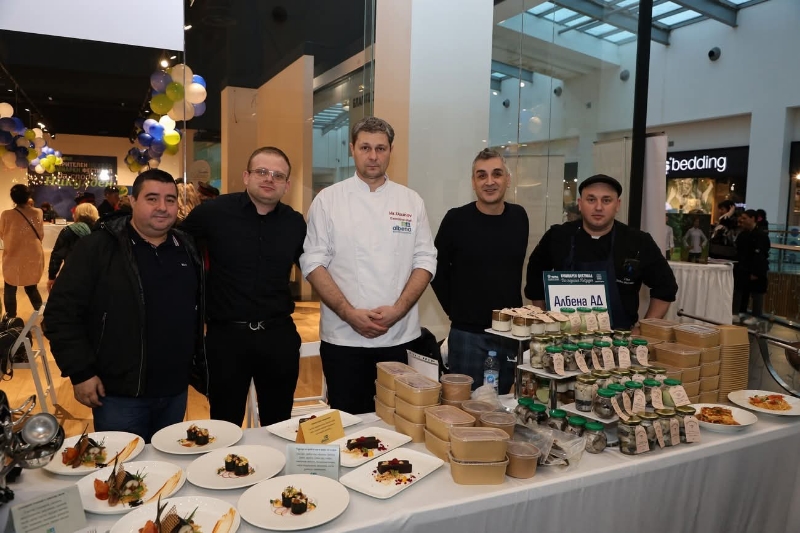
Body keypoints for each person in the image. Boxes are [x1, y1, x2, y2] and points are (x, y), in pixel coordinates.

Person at [44, 169, 205, 442]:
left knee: (168, 462)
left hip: (175, 389)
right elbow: (60, 314)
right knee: (123, 465)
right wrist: (80, 372)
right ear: (133, 201)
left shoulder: (186, 246)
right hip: (119, 393)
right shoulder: (98, 247)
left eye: (170, 199)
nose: (162, 207)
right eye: (152, 198)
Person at [300, 117, 437, 414]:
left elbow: (425, 259)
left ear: (390, 151)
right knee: (348, 420)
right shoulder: (328, 200)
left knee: (400, 419)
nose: (373, 156)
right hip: (343, 338)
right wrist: (349, 313)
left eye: (380, 148)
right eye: (365, 147)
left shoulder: (411, 201)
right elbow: (312, 262)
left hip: (399, 336)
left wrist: (398, 310)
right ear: (352, 149)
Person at [181, 147, 306, 426]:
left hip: (278, 336)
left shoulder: (295, 223)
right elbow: (175, 246)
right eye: (262, 172)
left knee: (278, 422)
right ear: (246, 176)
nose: (269, 179)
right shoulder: (212, 213)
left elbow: (316, 266)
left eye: (278, 175)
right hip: (226, 338)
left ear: (287, 185)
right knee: (225, 423)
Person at [525, 174, 678, 332]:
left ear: (617, 205)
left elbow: (666, 287)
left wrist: (642, 329)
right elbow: (535, 274)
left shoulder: (638, 241)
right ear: (580, 204)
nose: (598, 207)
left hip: (619, 339)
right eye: (591, 200)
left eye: (606, 200)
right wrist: (542, 318)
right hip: (562, 337)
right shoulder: (557, 236)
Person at [431, 148, 528, 393]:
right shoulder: (456, 220)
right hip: (468, 335)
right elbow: (436, 271)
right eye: (481, 175)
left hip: (509, 334)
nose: (489, 181)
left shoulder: (519, 217)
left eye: (497, 174)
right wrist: (457, 311)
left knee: (505, 404)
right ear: (473, 182)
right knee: (463, 405)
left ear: (508, 179)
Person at [0, 185, 44, 319]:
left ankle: (11, 318)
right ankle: (43, 315)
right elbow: (40, 235)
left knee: (10, 286)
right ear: (28, 196)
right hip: (33, 254)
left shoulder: (6, 214)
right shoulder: (38, 212)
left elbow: (2, 234)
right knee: (31, 287)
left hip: (13, 254)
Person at [47, 203, 99, 292]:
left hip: (72, 274)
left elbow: (57, 255)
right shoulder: (100, 229)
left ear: (77, 214)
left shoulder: (69, 231)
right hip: (96, 275)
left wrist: (52, 276)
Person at [733, 209, 770, 319]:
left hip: (756, 268)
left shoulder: (761, 235)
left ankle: (756, 316)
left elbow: (761, 254)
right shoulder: (743, 234)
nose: (742, 221)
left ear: (753, 218)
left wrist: (756, 271)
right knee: (740, 290)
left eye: (745, 218)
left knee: (756, 292)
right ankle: (738, 312)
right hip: (743, 267)